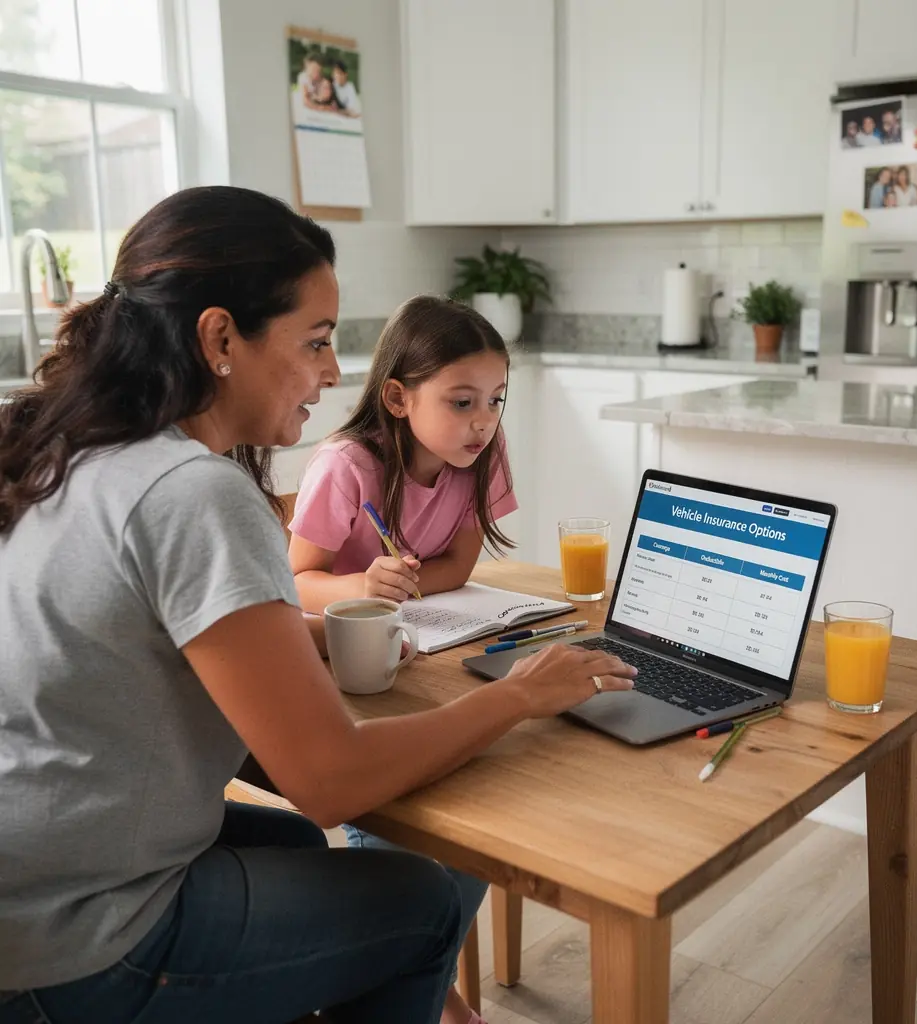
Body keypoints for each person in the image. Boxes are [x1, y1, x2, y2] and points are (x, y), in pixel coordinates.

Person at [0, 186, 636, 1024]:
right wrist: (517, 695)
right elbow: (330, 780)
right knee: (419, 904)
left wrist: (308, 634)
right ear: (220, 337)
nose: (336, 372)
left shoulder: (74, 448)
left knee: (298, 847)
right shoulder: (196, 492)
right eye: (318, 342)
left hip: (28, 879)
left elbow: (136, 639)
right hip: (76, 943)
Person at [287, 295, 516, 1024]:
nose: (483, 420)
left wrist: (410, 584)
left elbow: (456, 564)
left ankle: (423, 980)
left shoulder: (480, 455)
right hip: (347, 669)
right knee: (398, 825)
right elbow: (296, 579)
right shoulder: (346, 465)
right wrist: (362, 584)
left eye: (496, 400)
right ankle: (427, 990)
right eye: (461, 401)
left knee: (479, 804)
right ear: (397, 395)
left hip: (431, 650)